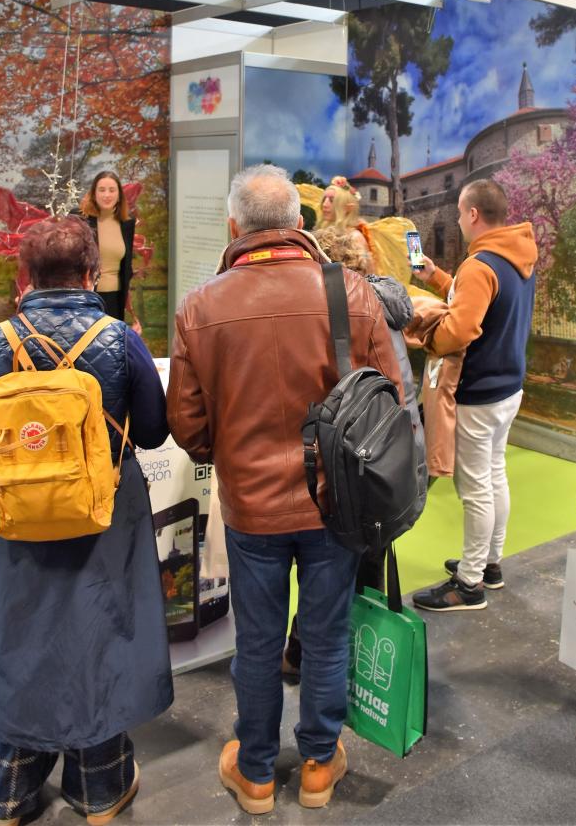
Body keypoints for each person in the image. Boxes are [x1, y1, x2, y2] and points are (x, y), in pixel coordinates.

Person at [166, 164, 402, 815]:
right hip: (335, 507)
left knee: (260, 643)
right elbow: (392, 401)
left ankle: (258, 773)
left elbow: (186, 425)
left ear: (234, 227)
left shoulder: (201, 306)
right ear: (299, 225)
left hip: (250, 511)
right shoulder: (351, 293)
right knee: (325, 638)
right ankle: (320, 766)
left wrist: (235, 455)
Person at [0, 216, 173, 826]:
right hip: (103, 515)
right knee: (98, 640)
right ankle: (99, 792)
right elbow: (154, 433)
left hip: (12, 522)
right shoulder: (117, 336)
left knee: (15, 639)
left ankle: (8, 794)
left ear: (28, 275)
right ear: (92, 272)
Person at [281, 226, 428, 676]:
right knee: (371, 553)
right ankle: (359, 652)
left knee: (331, 562)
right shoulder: (390, 301)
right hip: (394, 448)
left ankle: (306, 651)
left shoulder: (341, 307)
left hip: (355, 452)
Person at [406, 179, 537, 612]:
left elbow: (461, 328)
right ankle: (489, 564)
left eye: (461, 214)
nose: (459, 222)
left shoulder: (481, 265)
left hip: (478, 393)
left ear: (474, 215)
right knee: (494, 475)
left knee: (475, 488)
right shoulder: (516, 256)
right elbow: (479, 302)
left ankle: (469, 584)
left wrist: (427, 337)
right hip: (507, 389)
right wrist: (440, 278)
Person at [80, 170, 142, 334]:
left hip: (115, 300)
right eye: (101, 190)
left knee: (112, 349)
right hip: (87, 299)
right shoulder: (80, 219)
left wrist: (130, 309)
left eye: (112, 190)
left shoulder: (127, 223)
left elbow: (126, 267)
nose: (107, 195)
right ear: (93, 193)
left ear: (119, 195)